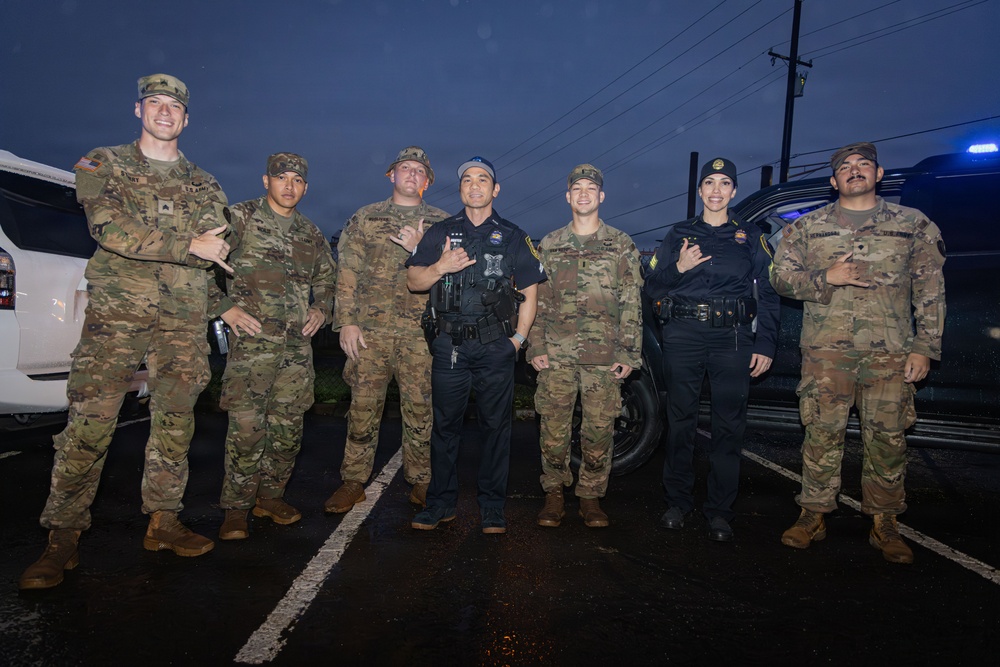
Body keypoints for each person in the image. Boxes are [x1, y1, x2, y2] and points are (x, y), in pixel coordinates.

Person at [20, 74, 232, 590]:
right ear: (138, 110)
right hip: (119, 315)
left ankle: (163, 521)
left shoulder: (205, 183)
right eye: (155, 103)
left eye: (174, 106)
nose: (164, 112)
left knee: (175, 421)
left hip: (182, 317)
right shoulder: (104, 163)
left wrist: (209, 273)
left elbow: (218, 241)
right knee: (90, 422)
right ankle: (63, 536)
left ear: (187, 119)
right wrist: (188, 245)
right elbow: (109, 227)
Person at [771, 142, 946, 564]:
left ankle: (885, 522)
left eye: (863, 164)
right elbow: (780, 277)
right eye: (845, 167)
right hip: (827, 352)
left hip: (890, 352)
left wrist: (925, 346)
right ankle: (813, 513)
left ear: (878, 174)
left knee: (887, 439)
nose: (854, 170)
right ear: (834, 181)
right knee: (821, 434)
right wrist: (824, 277)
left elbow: (930, 288)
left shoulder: (913, 224)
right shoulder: (808, 227)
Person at [405, 156, 545, 534]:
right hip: (449, 344)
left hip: (496, 346)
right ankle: (440, 504)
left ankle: (493, 508)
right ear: (461, 189)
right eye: (467, 179)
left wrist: (518, 340)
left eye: (482, 179)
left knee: (496, 429)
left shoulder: (513, 235)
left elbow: (530, 292)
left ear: (495, 189)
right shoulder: (441, 232)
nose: (475, 185)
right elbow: (414, 281)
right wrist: (441, 267)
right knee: (445, 428)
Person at [644, 157, 780, 542]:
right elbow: (652, 286)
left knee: (728, 426)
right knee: (680, 422)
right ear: (700, 190)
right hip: (683, 335)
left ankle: (720, 511)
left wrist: (765, 343)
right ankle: (677, 502)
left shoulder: (751, 236)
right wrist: (679, 268)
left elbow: (770, 292)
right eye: (709, 183)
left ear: (733, 191)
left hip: (731, 339)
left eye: (724, 183)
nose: (716, 190)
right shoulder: (679, 234)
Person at [213, 153, 336, 540]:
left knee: (287, 431)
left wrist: (322, 308)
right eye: (281, 177)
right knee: (247, 431)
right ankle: (236, 508)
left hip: (296, 353)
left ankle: (270, 497)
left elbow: (329, 280)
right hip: (252, 348)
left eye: (297, 180)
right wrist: (223, 307)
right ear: (266, 180)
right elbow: (199, 263)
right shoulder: (240, 218)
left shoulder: (310, 233)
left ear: (305, 188)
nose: (289, 185)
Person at [323, 147, 449, 514]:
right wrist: (346, 321)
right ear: (391, 175)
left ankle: (422, 481)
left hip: (421, 335)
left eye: (419, 170)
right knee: (362, 409)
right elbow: (346, 272)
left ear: (427, 181)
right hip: (370, 333)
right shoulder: (366, 217)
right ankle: (353, 481)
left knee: (421, 410)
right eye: (404, 168)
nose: (411, 174)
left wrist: (423, 250)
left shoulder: (442, 223)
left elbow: (452, 277)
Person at [529, 164, 642, 528]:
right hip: (556, 355)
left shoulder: (620, 244)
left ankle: (591, 496)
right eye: (577, 188)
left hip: (603, 356)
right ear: (567, 196)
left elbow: (631, 301)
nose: (583, 194)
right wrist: (535, 345)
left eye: (590, 188)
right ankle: (554, 493)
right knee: (553, 430)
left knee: (598, 430)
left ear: (601, 196)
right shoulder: (549, 244)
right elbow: (537, 300)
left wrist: (629, 352)